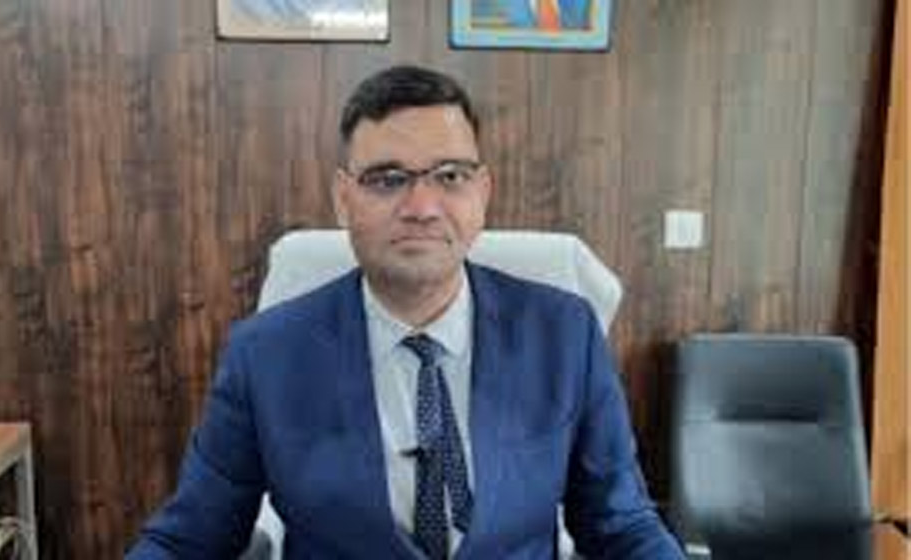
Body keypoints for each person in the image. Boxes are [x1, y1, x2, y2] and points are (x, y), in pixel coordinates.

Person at [127, 65, 684, 559]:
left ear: (482, 192)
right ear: (343, 199)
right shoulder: (265, 355)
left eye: (450, 176)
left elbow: (621, 526)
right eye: (387, 179)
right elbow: (189, 539)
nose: (421, 208)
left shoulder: (564, 335)